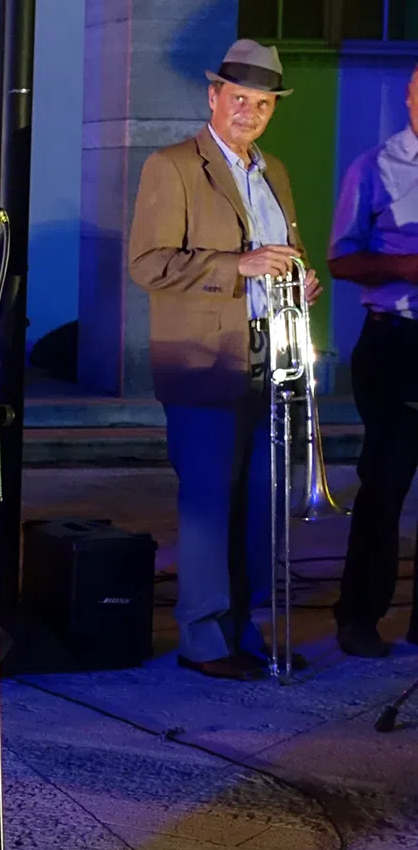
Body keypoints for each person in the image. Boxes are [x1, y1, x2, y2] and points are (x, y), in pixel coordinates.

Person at [129, 39, 322, 681]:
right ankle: (203, 641)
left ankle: (243, 630)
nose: (250, 112)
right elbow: (147, 264)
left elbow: (280, 254)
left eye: (262, 103)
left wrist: (298, 280)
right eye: (239, 98)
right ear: (213, 96)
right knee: (210, 506)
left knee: (260, 504)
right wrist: (236, 266)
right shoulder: (173, 165)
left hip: (271, 353)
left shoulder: (275, 172)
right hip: (203, 360)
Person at [327, 61, 418, 657]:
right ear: (410, 98)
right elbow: (340, 259)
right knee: (385, 487)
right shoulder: (375, 166)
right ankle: (358, 617)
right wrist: (407, 267)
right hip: (396, 342)